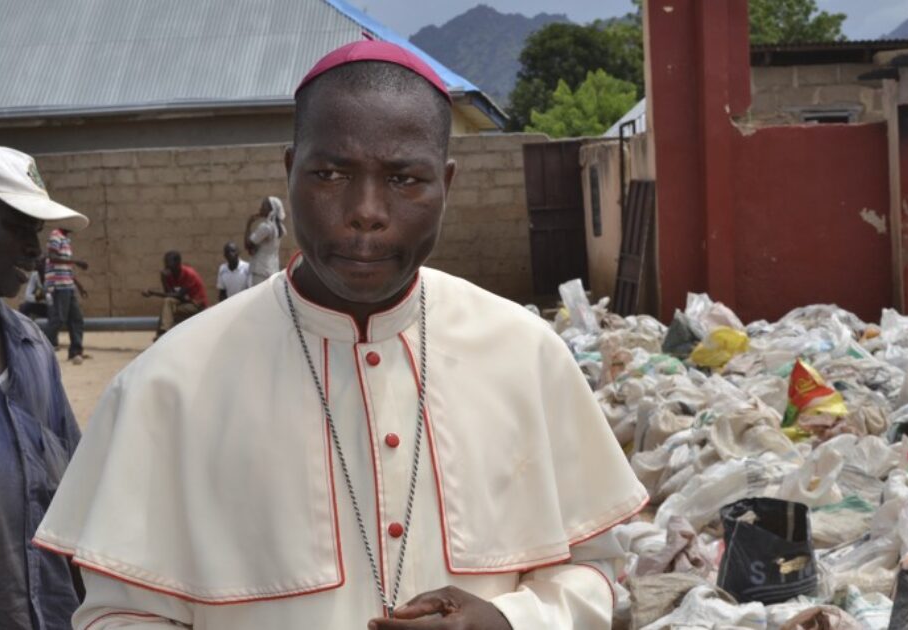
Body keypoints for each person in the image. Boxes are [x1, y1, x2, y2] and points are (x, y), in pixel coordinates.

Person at [35, 41, 647, 629]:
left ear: (448, 185)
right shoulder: (169, 383)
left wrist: (513, 620)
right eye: (330, 174)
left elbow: (594, 570)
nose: (367, 211)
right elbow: (119, 612)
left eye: (405, 179)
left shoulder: (526, 353)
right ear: (289, 173)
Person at [0, 146, 88, 629]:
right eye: (17, 225)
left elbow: (79, 496)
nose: (34, 248)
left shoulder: (33, 350)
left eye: (37, 230)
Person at [45, 224, 90, 364]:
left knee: (76, 319)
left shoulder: (65, 239)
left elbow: (66, 267)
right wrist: (76, 261)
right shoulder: (55, 235)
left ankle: (76, 352)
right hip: (59, 286)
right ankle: (43, 349)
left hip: (68, 285)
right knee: (59, 318)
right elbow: (52, 257)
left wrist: (79, 285)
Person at [142, 250, 208, 339]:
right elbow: (169, 293)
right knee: (168, 304)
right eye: (166, 264)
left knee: (168, 308)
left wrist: (153, 293)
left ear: (178, 263)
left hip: (196, 305)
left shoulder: (189, 274)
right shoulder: (170, 274)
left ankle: (163, 333)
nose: (167, 267)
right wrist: (164, 279)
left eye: (169, 264)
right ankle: (163, 333)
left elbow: (178, 295)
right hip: (184, 302)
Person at [245, 195, 286, 286]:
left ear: (271, 209)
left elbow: (248, 244)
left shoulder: (266, 227)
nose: (261, 207)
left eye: (264, 206)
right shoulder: (279, 227)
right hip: (272, 269)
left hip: (261, 270)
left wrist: (249, 223)